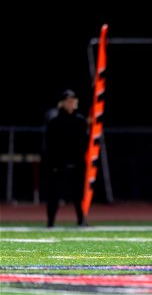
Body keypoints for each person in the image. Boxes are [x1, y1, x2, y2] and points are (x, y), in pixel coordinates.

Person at [43, 89, 89, 228]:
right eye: (68, 101)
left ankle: (82, 219)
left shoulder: (81, 121)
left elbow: (84, 143)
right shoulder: (54, 121)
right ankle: (50, 222)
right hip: (58, 164)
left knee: (79, 194)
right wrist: (53, 164)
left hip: (77, 162)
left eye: (73, 101)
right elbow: (50, 144)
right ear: (62, 103)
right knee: (54, 194)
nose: (70, 104)